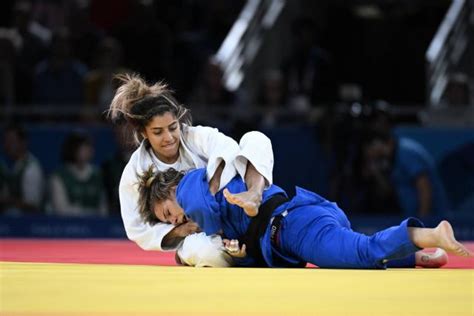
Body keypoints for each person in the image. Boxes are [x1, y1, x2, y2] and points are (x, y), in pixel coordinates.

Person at [136, 164, 472, 269]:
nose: (175, 222)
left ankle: (429, 234)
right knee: (347, 261)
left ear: (171, 190)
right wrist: (240, 252)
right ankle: (413, 257)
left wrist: (195, 227)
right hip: (298, 225)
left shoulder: (192, 185)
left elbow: (200, 209)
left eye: (168, 214)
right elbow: (257, 250)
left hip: (295, 225)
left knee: (360, 251)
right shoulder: (209, 207)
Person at [107, 73, 273, 251]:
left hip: (230, 206)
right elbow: (137, 228)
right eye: (158, 132)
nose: (169, 137)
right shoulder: (135, 171)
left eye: (173, 128)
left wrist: (209, 191)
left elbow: (229, 149)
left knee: (256, 139)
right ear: (143, 133)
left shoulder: (194, 136)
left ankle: (254, 194)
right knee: (201, 251)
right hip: (200, 233)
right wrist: (180, 231)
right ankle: (232, 249)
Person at [49, 131, 107, 217]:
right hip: (68, 227)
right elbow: (61, 209)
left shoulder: (97, 175)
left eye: (89, 146)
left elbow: (103, 208)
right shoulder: (59, 176)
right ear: (73, 149)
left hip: (96, 226)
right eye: (84, 147)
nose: (89, 150)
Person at [1, 124, 44, 214]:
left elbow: (32, 205)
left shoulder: (31, 168)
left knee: (12, 212)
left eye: (12, 141)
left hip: (32, 222)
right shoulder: (11, 166)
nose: (7, 145)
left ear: (23, 143)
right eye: (5, 141)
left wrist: (6, 201)